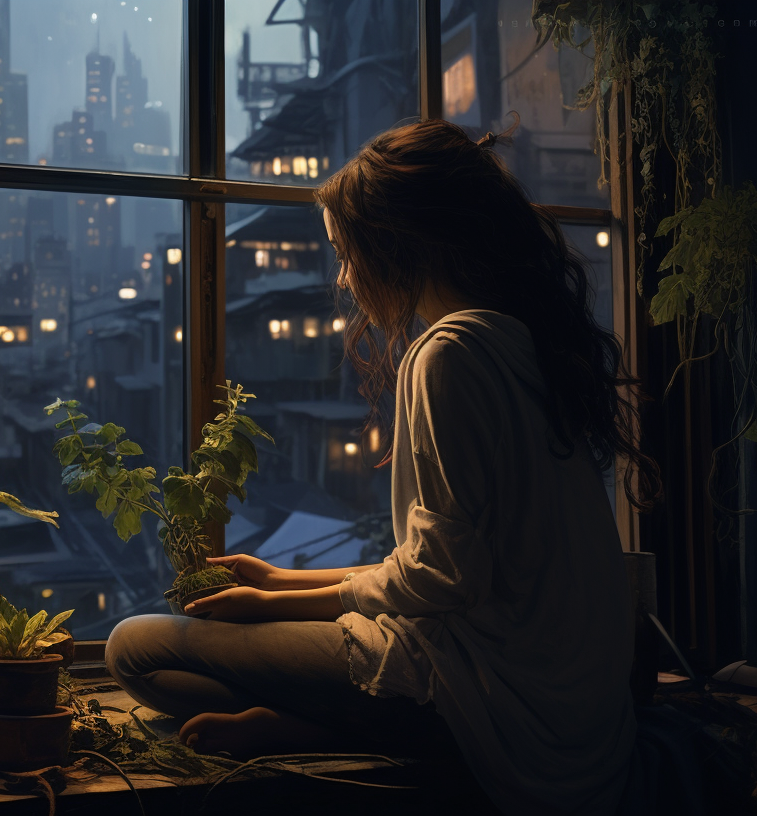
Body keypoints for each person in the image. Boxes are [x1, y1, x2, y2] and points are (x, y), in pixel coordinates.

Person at [104, 118, 660, 815]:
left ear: (398, 244)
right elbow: (458, 561)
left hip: (495, 697)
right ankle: (338, 721)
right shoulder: (520, 340)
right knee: (180, 650)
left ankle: (334, 727)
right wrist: (286, 577)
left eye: (346, 252)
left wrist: (275, 603)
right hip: (573, 705)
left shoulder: (449, 354)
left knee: (134, 651)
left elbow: (441, 575)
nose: (343, 276)